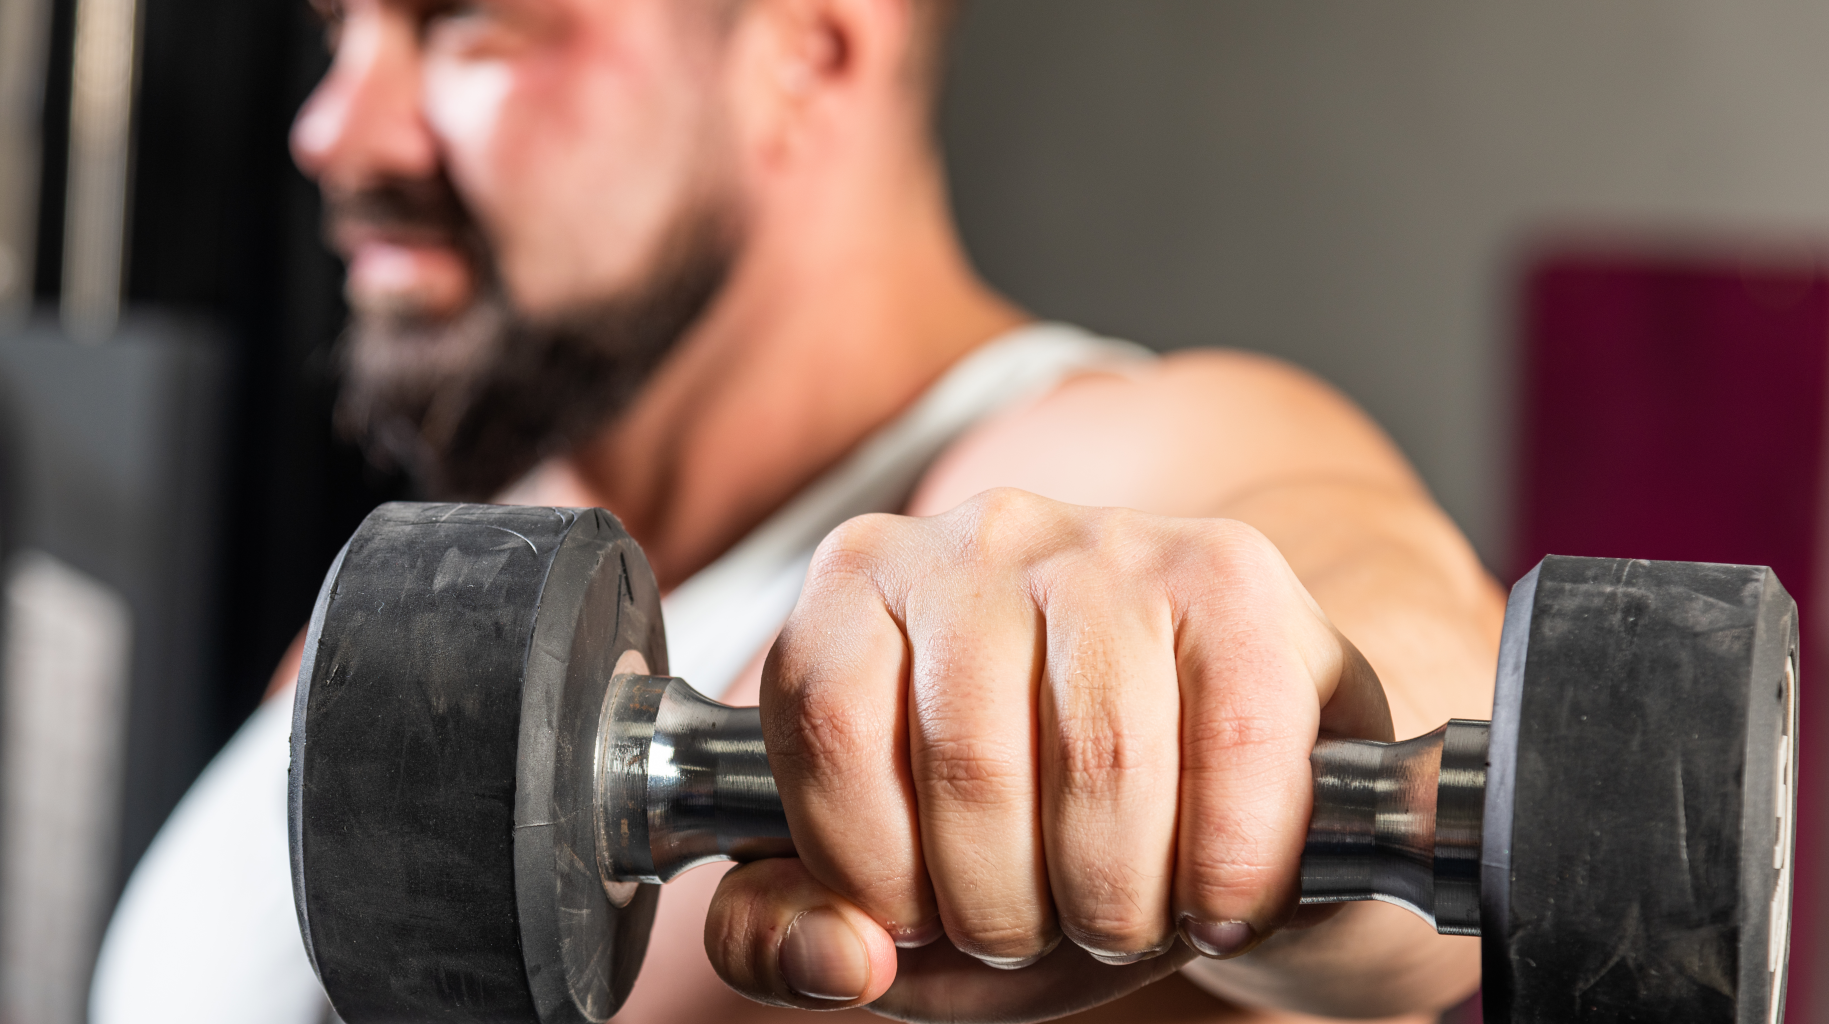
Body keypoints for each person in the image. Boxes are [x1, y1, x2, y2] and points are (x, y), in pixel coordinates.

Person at [92, 1, 1503, 1021]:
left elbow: (1366, 603)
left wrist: (1300, 785)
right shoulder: (429, 600)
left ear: (804, 49)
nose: (332, 126)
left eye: (468, 26)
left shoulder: (1091, 454)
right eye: (342, 29)